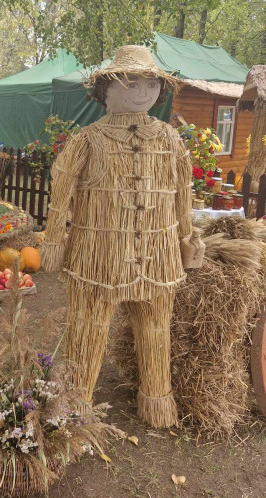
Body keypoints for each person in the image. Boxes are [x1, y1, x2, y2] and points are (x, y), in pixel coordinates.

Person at [41, 45, 204, 428]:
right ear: (105, 90)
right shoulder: (88, 139)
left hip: (158, 255)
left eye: (150, 83)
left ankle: (157, 400)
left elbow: (182, 194)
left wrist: (186, 238)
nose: (142, 91)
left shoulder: (169, 139)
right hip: (98, 256)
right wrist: (53, 242)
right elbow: (60, 192)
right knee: (87, 327)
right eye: (130, 82)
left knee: (155, 331)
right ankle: (75, 407)